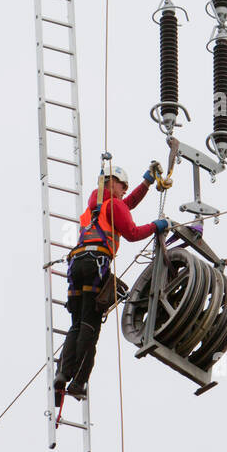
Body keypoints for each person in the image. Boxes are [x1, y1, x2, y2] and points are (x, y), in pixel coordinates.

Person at [54, 161, 169, 403]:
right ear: (110, 182)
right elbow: (133, 233)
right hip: (96, 264)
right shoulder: (113, 205)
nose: (125, 190)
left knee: (77, 324)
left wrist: (147, 182)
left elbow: (126, 206)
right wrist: (158, 226)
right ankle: (78, 383)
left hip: (77, 265)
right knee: (90, 326)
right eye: (122, 185)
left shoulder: (94, 208)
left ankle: (62, 374)